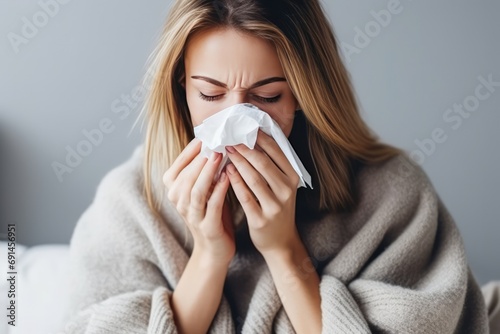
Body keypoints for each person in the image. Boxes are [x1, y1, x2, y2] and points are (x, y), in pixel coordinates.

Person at [60, 0, 494, 333]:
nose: (236, 121)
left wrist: (284, 250)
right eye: (211, 95)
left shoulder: (391, 193)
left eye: (267, 98)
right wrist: (210, 255)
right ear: (181, 89)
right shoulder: (133, 200)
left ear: (307, 96)